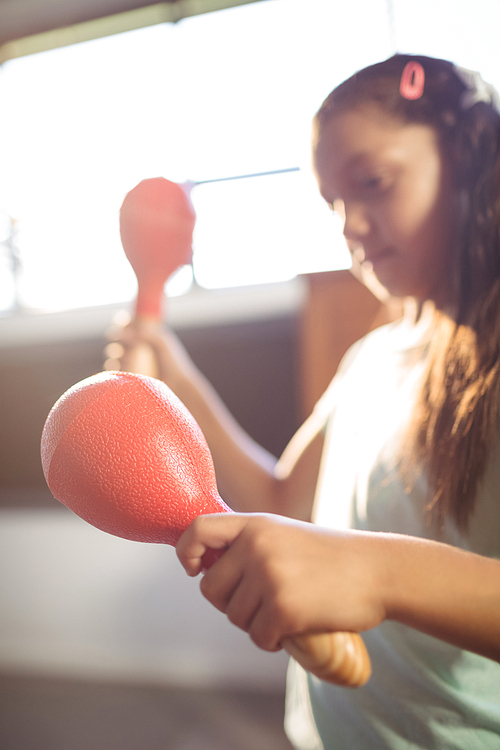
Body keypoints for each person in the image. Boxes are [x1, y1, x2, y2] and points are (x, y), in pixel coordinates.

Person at [115, 54, 500, 748]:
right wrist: (177, 375)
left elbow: (365, 565)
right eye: (333, 204)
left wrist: (377, 572)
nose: (350, 225)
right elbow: (282, 496)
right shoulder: (372, 357)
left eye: (373, 183)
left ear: (470, 161)